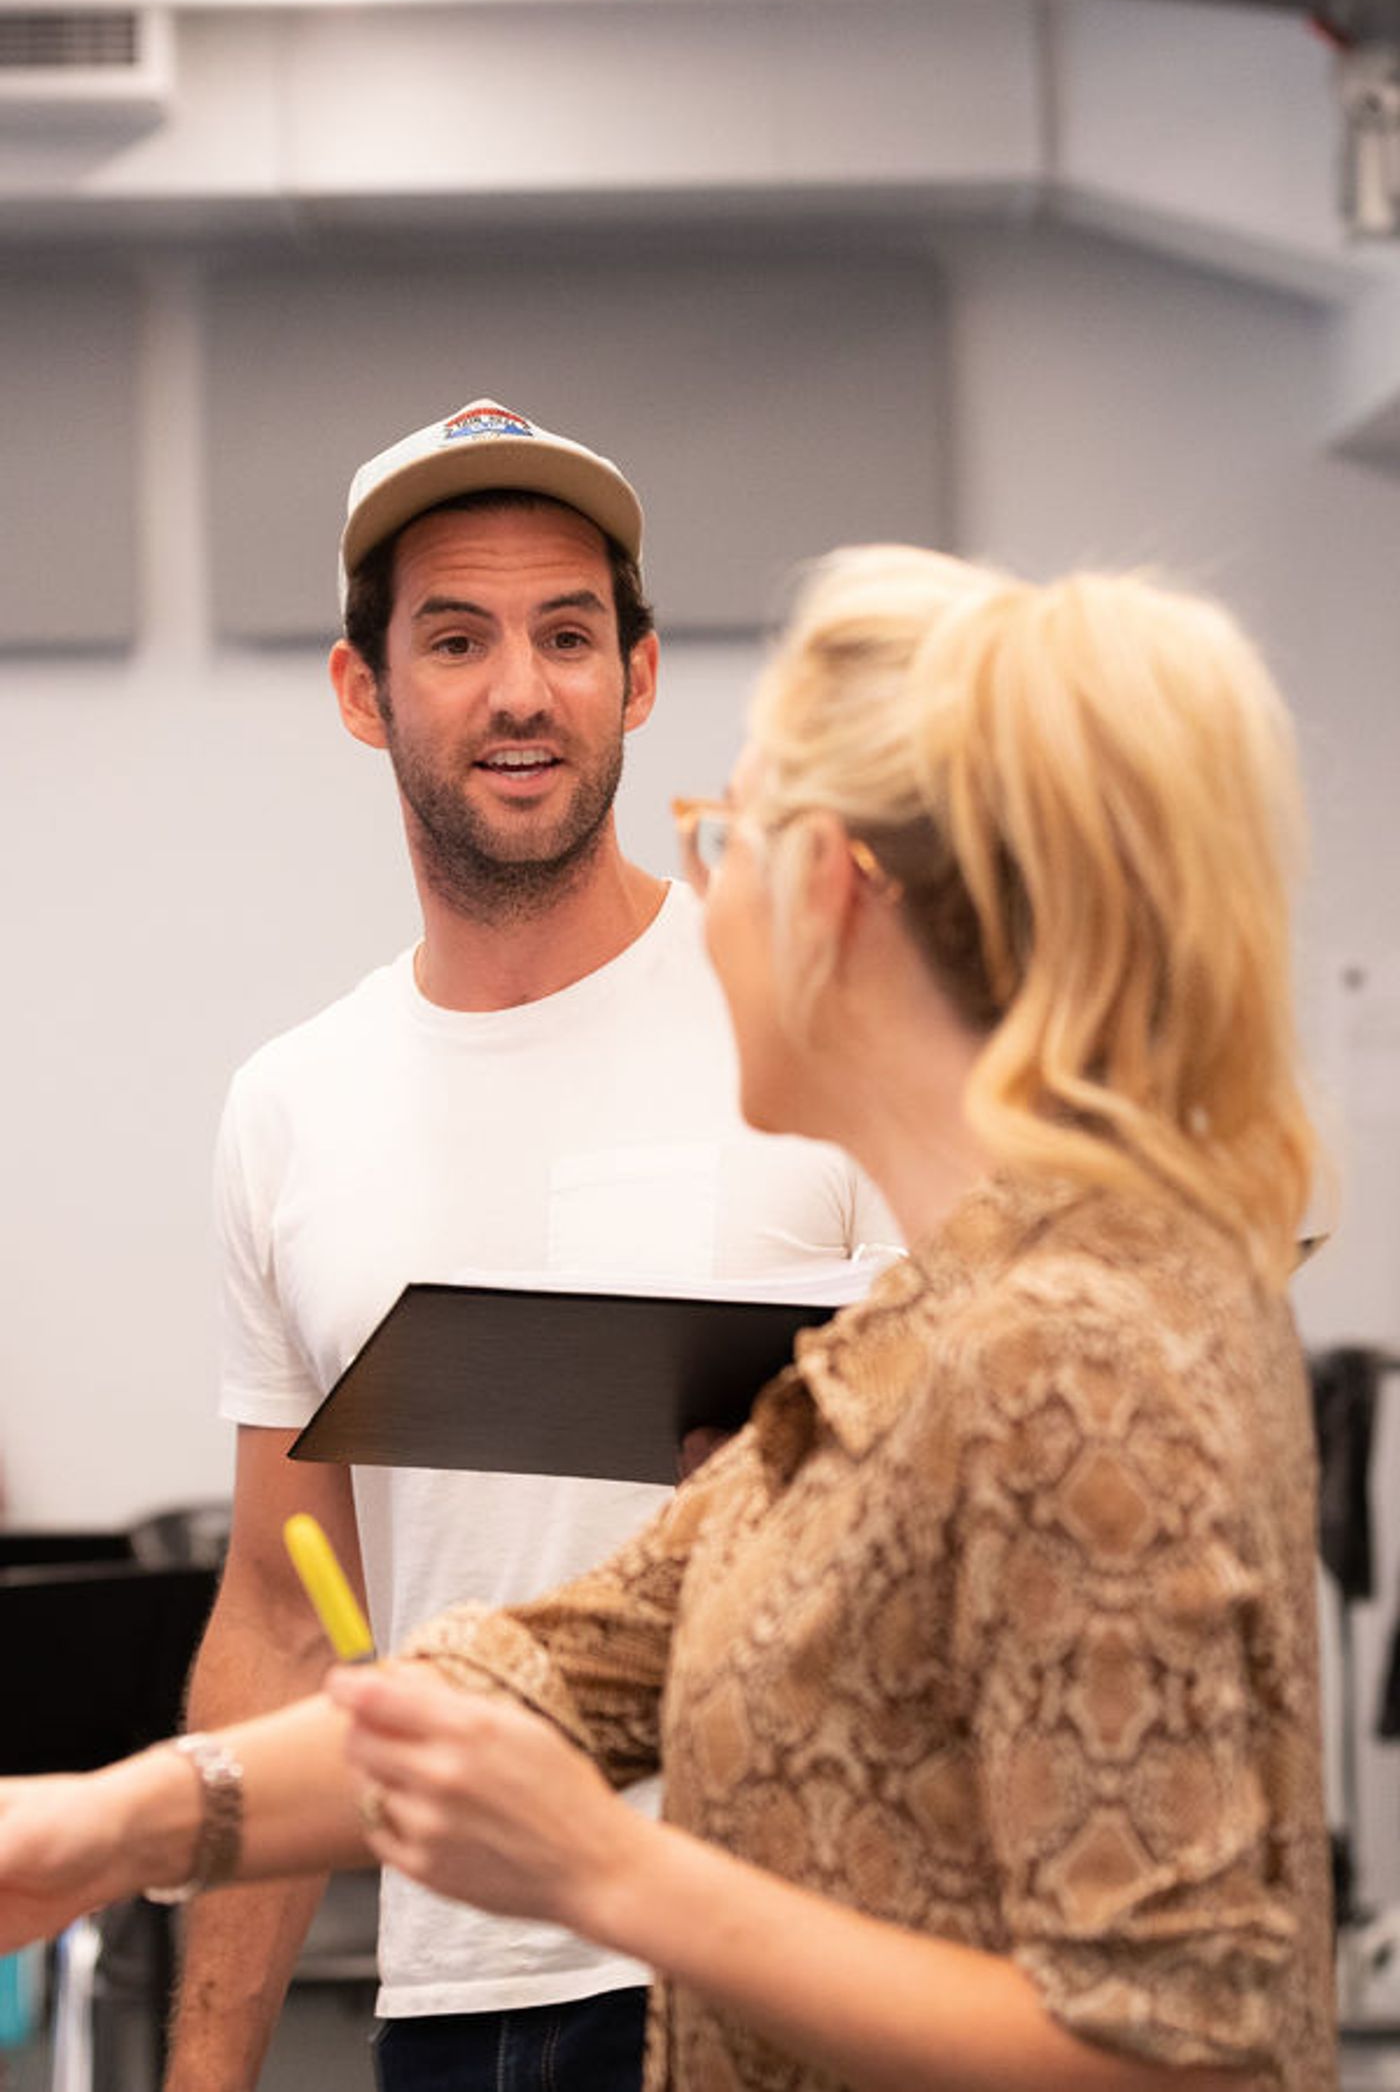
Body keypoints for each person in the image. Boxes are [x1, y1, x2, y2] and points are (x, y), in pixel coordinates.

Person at [0, 545, 1336, 2092]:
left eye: (732, 840)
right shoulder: (915, 1340)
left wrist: (611, 1878)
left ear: (836, 889)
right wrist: (107, 1825)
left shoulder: (1072, 1358)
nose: (703, 907)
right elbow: (560, 1666)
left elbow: (1185, 2049)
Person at [161, 401, 896, 2092]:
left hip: (782, 1965)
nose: (520, 691)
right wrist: (206, 2076)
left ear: (639, 677)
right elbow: (283, 1611)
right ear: (367, 693)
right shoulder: (293, 1108)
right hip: (451, 1990)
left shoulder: (811, 1020)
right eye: (458, 638)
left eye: (570, 635)